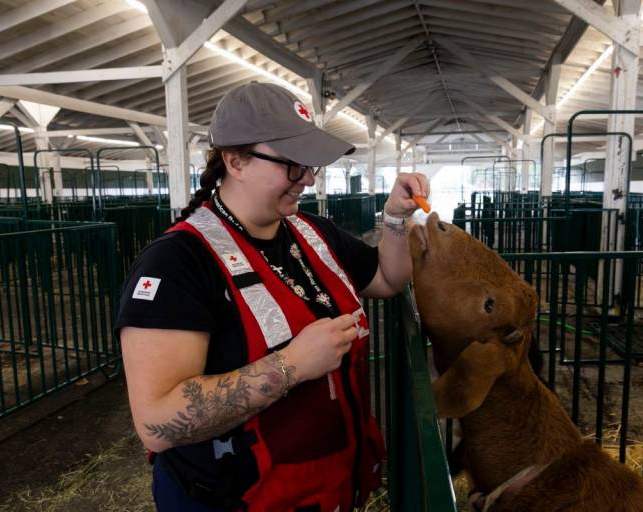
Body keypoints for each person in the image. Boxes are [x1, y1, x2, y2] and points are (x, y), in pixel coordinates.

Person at [115, 81, 430, 512]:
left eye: (310, 166)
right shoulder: (177, 264)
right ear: (236, 161)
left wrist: (395, 217)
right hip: (238, 499)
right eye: (293, 165)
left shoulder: (313, 233)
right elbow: (157, 422)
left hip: (324, 490)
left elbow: (389, 279)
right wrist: (292, 365)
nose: (307, 179)